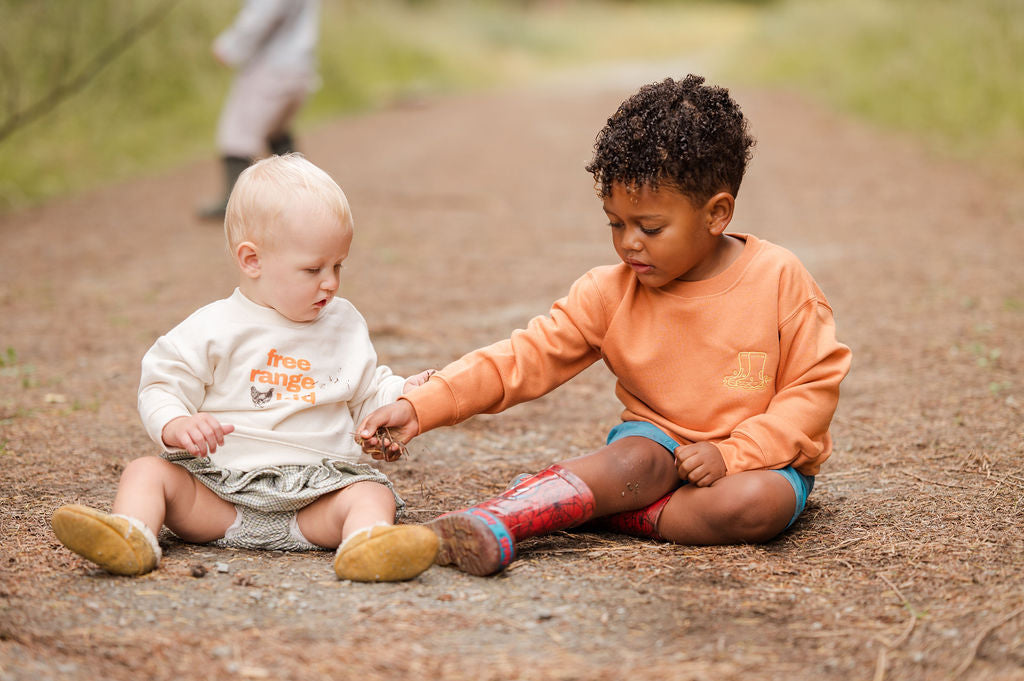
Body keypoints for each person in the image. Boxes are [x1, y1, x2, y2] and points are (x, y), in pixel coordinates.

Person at [357, 75, 853, 576]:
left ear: (716, 214)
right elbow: (522, 358)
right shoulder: (610, 292)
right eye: (615, 223)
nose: (629, 243)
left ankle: (598, 510)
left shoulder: (780, 279)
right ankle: (493, 520)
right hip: (653, 446)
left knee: (754, 505)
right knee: (633, 463)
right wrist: (421, 406)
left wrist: (734, 453)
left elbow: (812, 391)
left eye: (650, 228)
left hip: (758, 461)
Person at [53, 154, 439, 582]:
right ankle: (131, 536)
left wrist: (405, 394)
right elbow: (162, 382)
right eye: (313, 269)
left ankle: (366, 546)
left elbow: (369, 391)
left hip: (316, 500)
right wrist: (176, 423)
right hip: (220, 496)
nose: (330, 281)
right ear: (252, 260)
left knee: (369, 493)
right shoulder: (214, 327)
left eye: (338, 265)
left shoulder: (343, 323)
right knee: (146, 472)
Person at [198, 0, 320, 220]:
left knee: (237, 133)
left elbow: (262, 15)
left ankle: (235, 204)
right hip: (300, 64)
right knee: (277, 131)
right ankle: (301, 196)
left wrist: (230, 47)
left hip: (271, 66)